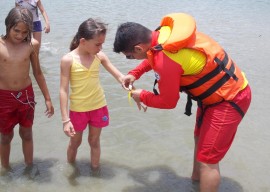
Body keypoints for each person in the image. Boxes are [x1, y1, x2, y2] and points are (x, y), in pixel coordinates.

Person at [113, 13, 252, 192]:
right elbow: (154, 56)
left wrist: (142, 95)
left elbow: (168, 102)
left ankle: (203, 180)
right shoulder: (163, 34)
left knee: (208, 160)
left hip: (230, 98)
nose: (131, 59)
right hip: (213, 97)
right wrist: (135, 72)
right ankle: (195, 182)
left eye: (129, 56)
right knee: (199, 140)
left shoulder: (166, 59)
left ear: (139, 48)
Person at [59, 18, 124, 174]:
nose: (100, 47)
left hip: (98, 106)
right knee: (75, 143)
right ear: (83, 41)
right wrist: (65, 120)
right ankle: (71, 170)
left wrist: (131, 87)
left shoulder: (99, 56)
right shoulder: (68, 60)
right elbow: (63, 90)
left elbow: (120, 76)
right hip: (78, 109)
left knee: (94, 141)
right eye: (97, 44)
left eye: (102, 44)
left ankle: (96, 171)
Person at [0, 7, 54, 173]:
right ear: (8, 25)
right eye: (16, 30)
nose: (20, 35)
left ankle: (29, 168)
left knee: (27, 133)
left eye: (25, 32)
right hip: (3, 98)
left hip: (26, 96)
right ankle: (6, 169)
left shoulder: (32, 45)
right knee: (6, 136)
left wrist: (47, 98)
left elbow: (37, 72)